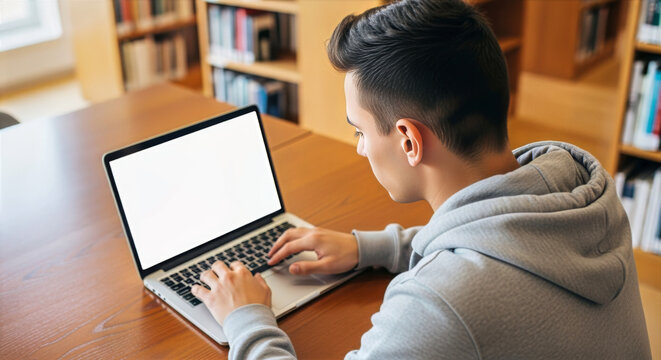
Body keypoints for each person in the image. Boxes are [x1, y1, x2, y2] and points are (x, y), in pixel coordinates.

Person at [191, 0, 652, 358]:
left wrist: (247, 318)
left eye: (360, 130)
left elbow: (471, 277)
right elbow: (500, 232)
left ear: (409, 140)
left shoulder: (438, 304)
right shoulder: (578, 187)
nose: (360, 148)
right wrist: (370, 248)